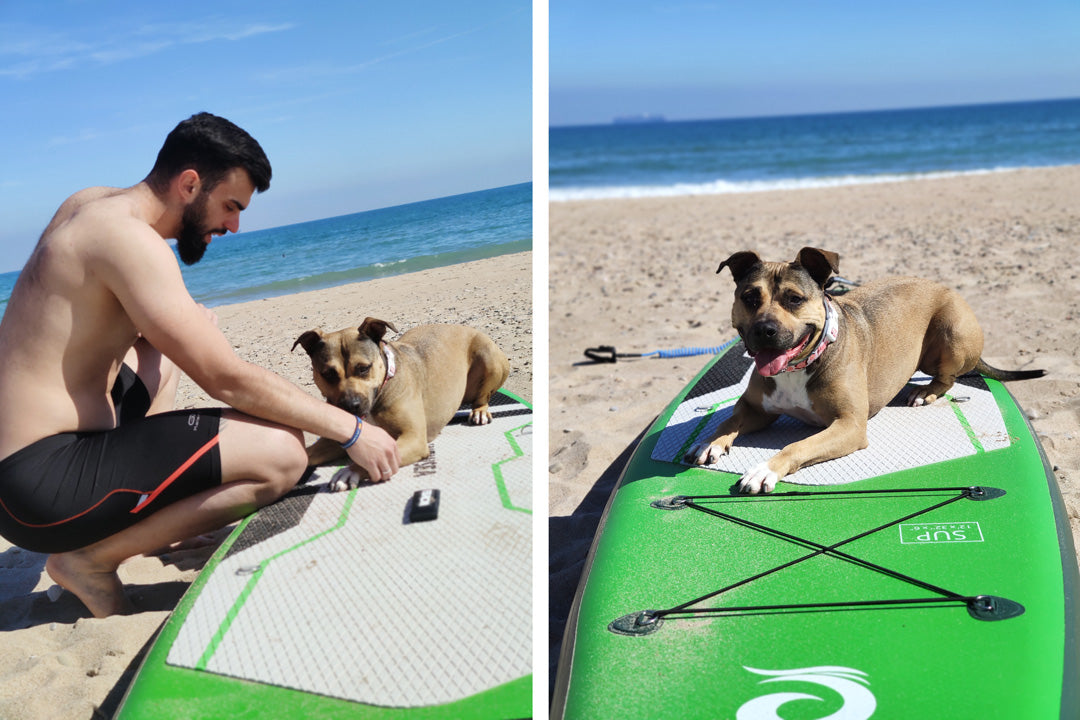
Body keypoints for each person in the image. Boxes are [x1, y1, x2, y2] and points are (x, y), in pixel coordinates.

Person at [0, 113, 401, 618]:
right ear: (190, 183)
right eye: (230, 206)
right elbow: (224, 378)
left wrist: (172, 327)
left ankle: (143, 523)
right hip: (42, 486)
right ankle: (89, 559)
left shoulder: (89, 205)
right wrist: (351, 431)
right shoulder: (130, 242)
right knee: (282, 454)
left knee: (160, 361)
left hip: (21, 468)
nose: (233, 226)